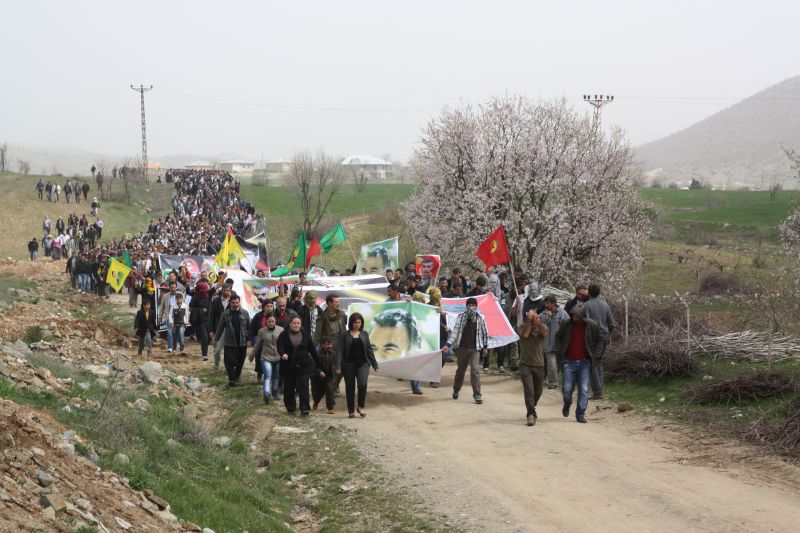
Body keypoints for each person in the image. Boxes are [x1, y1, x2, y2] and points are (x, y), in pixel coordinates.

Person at [556, 304, 603, 423]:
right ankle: (567, 403)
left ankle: (580, 413)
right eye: (573, 316)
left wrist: (596, 355)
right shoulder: (566, 324)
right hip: (568, 361)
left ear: (583, 316)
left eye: (577, 316)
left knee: (584, 389)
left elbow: (600, 340)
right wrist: (560, 351)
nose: (575, 318)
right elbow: (558, 337)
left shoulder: (592, 325)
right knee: (567, 389)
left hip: (585, 363)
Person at [443, 297, 489, 404]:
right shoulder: (461, 317)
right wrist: (448, 345)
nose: (471, 307)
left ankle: (477, 394)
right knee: (460, 371)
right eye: (469, 305)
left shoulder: (480, 318)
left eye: (473, 305)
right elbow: (455, 332)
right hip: (462, 348)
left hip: (475, 349)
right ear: (466, 306)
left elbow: (485, 333)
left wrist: (485, 347)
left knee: (475, 371)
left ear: (476, 307)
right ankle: (456, 389)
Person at [336, 313, 379, 418]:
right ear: (351, 323)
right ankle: (351, 410)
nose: (357, 324)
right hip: (348, 364)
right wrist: (338, 366)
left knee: (362, 385)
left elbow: (369, 350)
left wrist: (374, 364)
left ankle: (361, 406)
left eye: (359, 322)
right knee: (350, 387)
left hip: (363, 364)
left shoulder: (364, 334)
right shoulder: (344, 335)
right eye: (355, 322)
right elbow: (340, 351)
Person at [276, 315, 318, 415]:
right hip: (288, 365)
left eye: (298, 323)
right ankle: (291, 408)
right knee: (289, 387)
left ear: (301, 324)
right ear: (290, 323)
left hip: (304, 365)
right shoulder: (284, 334)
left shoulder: (305, 334)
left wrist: (319, 364)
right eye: (294, 323)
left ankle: (304, 408)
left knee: (303, 386)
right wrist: (283, 354)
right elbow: (280, 346)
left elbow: (312, 350)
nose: (296, 325)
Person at [583, 283, 616, 399]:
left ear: (589, 292)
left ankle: (597, 391)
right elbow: (611, 324)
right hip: (605, 335)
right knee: (599, 361)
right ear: (599, 292)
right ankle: (600, 388)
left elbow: (585, 322)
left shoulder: (586, 305)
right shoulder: (605, 305)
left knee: (592, 362)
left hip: (593, 337)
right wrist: (610, 337)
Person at [518, 308, 548, 426]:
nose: (535, 317)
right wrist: (529, 321)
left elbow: (545, 333)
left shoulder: (542, 327)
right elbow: (525, 334)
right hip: (525, 364)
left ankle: (531, 405)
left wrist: (537, 323)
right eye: (532, 316)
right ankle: (531, 414)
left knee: (538, 390)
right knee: (529, 390)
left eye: (536, 315)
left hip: (539, 365)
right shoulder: (522, 326)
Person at [214, 294, 250, 386]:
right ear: (230, 303)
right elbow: (220, 327)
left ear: (239, 303)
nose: (235, 304)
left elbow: (249, 327)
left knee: (240, 361)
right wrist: (216, 339)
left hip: (242, 341)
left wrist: (249, 339)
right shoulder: (225, 314)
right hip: (229, 342)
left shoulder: (245, 313)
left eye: (237, 302)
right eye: (233, 302)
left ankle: (237, 376)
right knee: (228, 361)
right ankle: (232, 379)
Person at [249, 314, 284, 403]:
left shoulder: (281, 330)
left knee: (276, 376)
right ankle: (266, 393)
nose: (271, 323)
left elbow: (285, 343)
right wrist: (252, 355)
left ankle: (275, 393)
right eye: (269, 322)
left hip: (278, 357)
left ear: (275, 321)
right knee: (268, 375)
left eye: (273, 321)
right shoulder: (262, 331)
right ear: (266, 322)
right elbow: (257, 344)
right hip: (266, 357)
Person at [539, 295, 569, 389]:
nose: (546, 305)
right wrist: (548, 318)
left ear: (553, 303)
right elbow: (539, 323)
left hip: (560, 342)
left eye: (548, 303)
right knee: (551, 363)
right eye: (545, 303)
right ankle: (553, 383)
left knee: (559, 364)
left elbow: (567, 325)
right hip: (548, 343)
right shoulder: (544, 313)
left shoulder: (562, 313)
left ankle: (565, 382)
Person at [312, 336, 338, 414]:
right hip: (317, 376)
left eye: (330, 344)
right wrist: (319, 371)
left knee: (330, 390)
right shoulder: (316, 353)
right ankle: (316, 402)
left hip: (329, 375)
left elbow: (334, 363)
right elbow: (313, 365)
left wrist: (336, 369)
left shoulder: (333, 352)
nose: (329, 346)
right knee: (318, 393)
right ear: (322, 345)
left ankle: (330, 408)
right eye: (327, 344)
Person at [189, 281, 212, 361]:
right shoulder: (195, 298)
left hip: (209, 320)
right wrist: (201, 310)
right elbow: (191, 308)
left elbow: (216, 287)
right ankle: (204, 355)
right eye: (203, 289)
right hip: (200, 321)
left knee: (209, 338)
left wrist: (223, 278)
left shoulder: (209, 295)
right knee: (204, 337)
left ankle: (201, 342)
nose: (205, 290)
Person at [159, 281, 179, 353]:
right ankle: (170, 347)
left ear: (176, 287)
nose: (173, 289)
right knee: (169, 331)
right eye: (172, 287)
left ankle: (176, 345)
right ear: (169, 288)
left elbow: (185, 306)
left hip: (178, 316)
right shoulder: (165, 296)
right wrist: (160, 317)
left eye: (174, 287)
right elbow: (162, 307)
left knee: (176, 331)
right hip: (169, 315)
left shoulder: (181, 295)